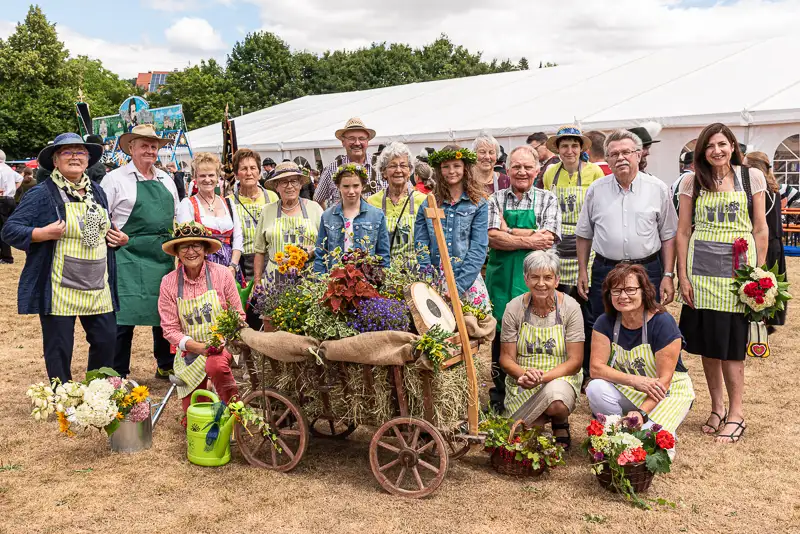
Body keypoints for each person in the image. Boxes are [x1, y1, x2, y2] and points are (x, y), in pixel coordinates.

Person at [1, 133, 128, 382]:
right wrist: (41, 233)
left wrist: (118, 238)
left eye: (80, 152)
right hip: (58, 286)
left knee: (106, 338)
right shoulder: (40, 194)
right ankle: (63, 396)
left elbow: (103, 229)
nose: (74, 157)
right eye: (67, 152)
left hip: (97, 284)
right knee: (59, 346)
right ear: (56, 160)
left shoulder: (98, 193)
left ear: (88, 159)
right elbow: (9, 230)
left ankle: (97, 393)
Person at [676, 123, 768, 443]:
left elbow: (760, 229)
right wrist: (682, 277)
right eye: (710, 146)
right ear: (702, 151)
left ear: (732, 146)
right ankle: (716, 408)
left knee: (731, 348)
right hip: (701, 276)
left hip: (737, 277)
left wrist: (758, 276)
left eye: (722, 144)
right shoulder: (692, 181)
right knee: (708, 345)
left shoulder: (749, 177)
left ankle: (737, 413)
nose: (716, 150)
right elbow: (684, 231)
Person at [101, 124, 180, 380]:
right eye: (144, 145)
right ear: (131, 148)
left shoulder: (166, 179)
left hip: (162, 256)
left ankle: (166, 363)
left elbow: (177, 215)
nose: (150, 150)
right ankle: (118, 370)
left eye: (153, 146)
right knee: (124, 316)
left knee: (165, 314)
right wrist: (112, 233)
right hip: (126, 255)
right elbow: (100, 216)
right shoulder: (115, 179)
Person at [485, 145, 561, 412]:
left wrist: (510, 232)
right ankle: (499, 396)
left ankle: (535, 393)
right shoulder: (494, 199)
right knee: (500, 335)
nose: (522, 172)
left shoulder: (548, 199)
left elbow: (548, 239)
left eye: (528, 167)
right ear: (507, 170)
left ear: (537, 170)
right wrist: (529, 236)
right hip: (501, 278)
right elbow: (492, 237)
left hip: (535, 278)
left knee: (531, 333)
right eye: (516, 166)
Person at [577, 130, 678, 327]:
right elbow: (584, 235)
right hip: (606, 269)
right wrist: (582, 270)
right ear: (607, 159)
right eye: (614, 154)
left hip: (648, 269)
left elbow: (668, 236)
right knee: (603, 323)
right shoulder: (596, 190)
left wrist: (668, 275)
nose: (620, 158)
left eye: (626, 152)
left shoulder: (658, 188)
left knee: (649, 323)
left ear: (639, 155)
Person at [586, 263, 695, 443]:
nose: (623, 296)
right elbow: (596, 369)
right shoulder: (604, 322)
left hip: (667, 393)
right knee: (595, 387)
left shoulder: (662, 322)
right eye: (616, 290)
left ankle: (651, 426)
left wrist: (642, 413)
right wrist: (636, 381)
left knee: (648, 441)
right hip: (631, 388)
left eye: (630, 290)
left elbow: (664, 381)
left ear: (644, 291)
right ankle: (616, 426)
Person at [499, 250, 583, 448]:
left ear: (557, 280)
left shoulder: (570, 308)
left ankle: (559, 420)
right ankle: (539, 422)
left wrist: (542, 378)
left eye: (547, 277)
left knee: (556, 400)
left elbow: (575, 361)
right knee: (514, 435)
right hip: (523, 380)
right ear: (526, 279)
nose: (541, 283)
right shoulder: (514, 308)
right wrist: (524, 375)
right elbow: (505, 358)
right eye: (535, 277)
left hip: (560, 377)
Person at [158, 222, 244, 413]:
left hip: (223, 344)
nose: (191, 251)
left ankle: (234, 411)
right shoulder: (168, 282)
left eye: (196, 245)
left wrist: (221, 340)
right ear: (177, 252)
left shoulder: (222, 275)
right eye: (184, 246)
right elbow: (170, 329)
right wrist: (197, 347)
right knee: (194, 416)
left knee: (216, 365)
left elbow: (238, 314)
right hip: (189, 351)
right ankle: (209, 414)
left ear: (205, 250)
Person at [415, 145, 490, 310]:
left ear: (466, 168)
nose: (451, 171)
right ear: (438, 170)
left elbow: (478, 248)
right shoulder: (428, 204)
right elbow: (421, 245)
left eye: (457, 166)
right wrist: (429, 279)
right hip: (436, 280)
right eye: (445, 167)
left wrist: (459, 285)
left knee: (476, 330)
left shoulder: (478, 204)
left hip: (467, 279)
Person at [543, 126, 606, 288]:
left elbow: (601, 211)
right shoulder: (550, 174)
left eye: (574, 146)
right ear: (557, 149)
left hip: (587, 243)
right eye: (564, 146)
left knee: (586, 296)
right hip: (559, 246)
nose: (569, 151)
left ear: (581, 148)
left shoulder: (594, 172)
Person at [253, 162, 323, 284]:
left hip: (309, 280)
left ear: (301, 184)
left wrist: (311, 251)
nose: (289, 186)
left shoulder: (315, 208)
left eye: (294, 181)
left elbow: (325, 245)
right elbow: (259, 251)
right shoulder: (267, 211)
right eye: (284, 182)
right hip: (274, 280)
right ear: (276, 186)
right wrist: (257, 281)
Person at [314, 163, 390, 272]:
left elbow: (383, 255)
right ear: (338, 186)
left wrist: (381, 280)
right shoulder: (328, 216)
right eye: (346, 186)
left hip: (366, 279)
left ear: (362, 186)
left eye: (355, 186)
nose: (351, 191)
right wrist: (320, 281)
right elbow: (321, 253)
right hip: (336, 279)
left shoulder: (376, 215)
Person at [178, 153, 243, 276]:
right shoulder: (188, 204)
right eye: (202, 175)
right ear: (195, 178)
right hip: (200, 267)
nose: (207, 179)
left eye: (211, 175)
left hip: (230, 266)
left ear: (217, 177)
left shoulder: (228, 203)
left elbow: (238, 237)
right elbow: (186, 242)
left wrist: (233, 266)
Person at [744, 151, 786, 330]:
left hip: (766, 242)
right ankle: (768, 319)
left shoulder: (761, 191)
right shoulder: (774, 188)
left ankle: (762, 320)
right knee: (771, 280)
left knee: (763, 280)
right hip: (775, 241)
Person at [227, 148, 279, 281]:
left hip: (270, 262)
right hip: (243, 264)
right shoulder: (229, 202)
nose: (249, 173)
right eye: (244, 169)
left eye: (253, 168)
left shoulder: (272, 197)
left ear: (259, 172)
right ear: (237, 174)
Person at [367, 142, 426, 258]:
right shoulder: (372, 202)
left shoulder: (423, 200)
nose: (398, 170)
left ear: (409, 171)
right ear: (384, 172)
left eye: (403, 165)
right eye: (393, 166)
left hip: (415, 271)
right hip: (383, 270)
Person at [313, 118, 383, 208]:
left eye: (361, 138)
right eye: (351, 139)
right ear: (343, 142)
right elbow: (317, 200)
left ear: (367, 141)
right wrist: (329, 218)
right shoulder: (332, 169)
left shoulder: (381, 165)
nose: (357, 143)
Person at [0, 151, 20, 264]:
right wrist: (12, 190)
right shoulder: (8, 168)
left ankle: (7, 257)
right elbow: (20, 179)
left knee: (2, 229)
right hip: (10, 199)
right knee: (6, 227)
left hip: (2, 200)